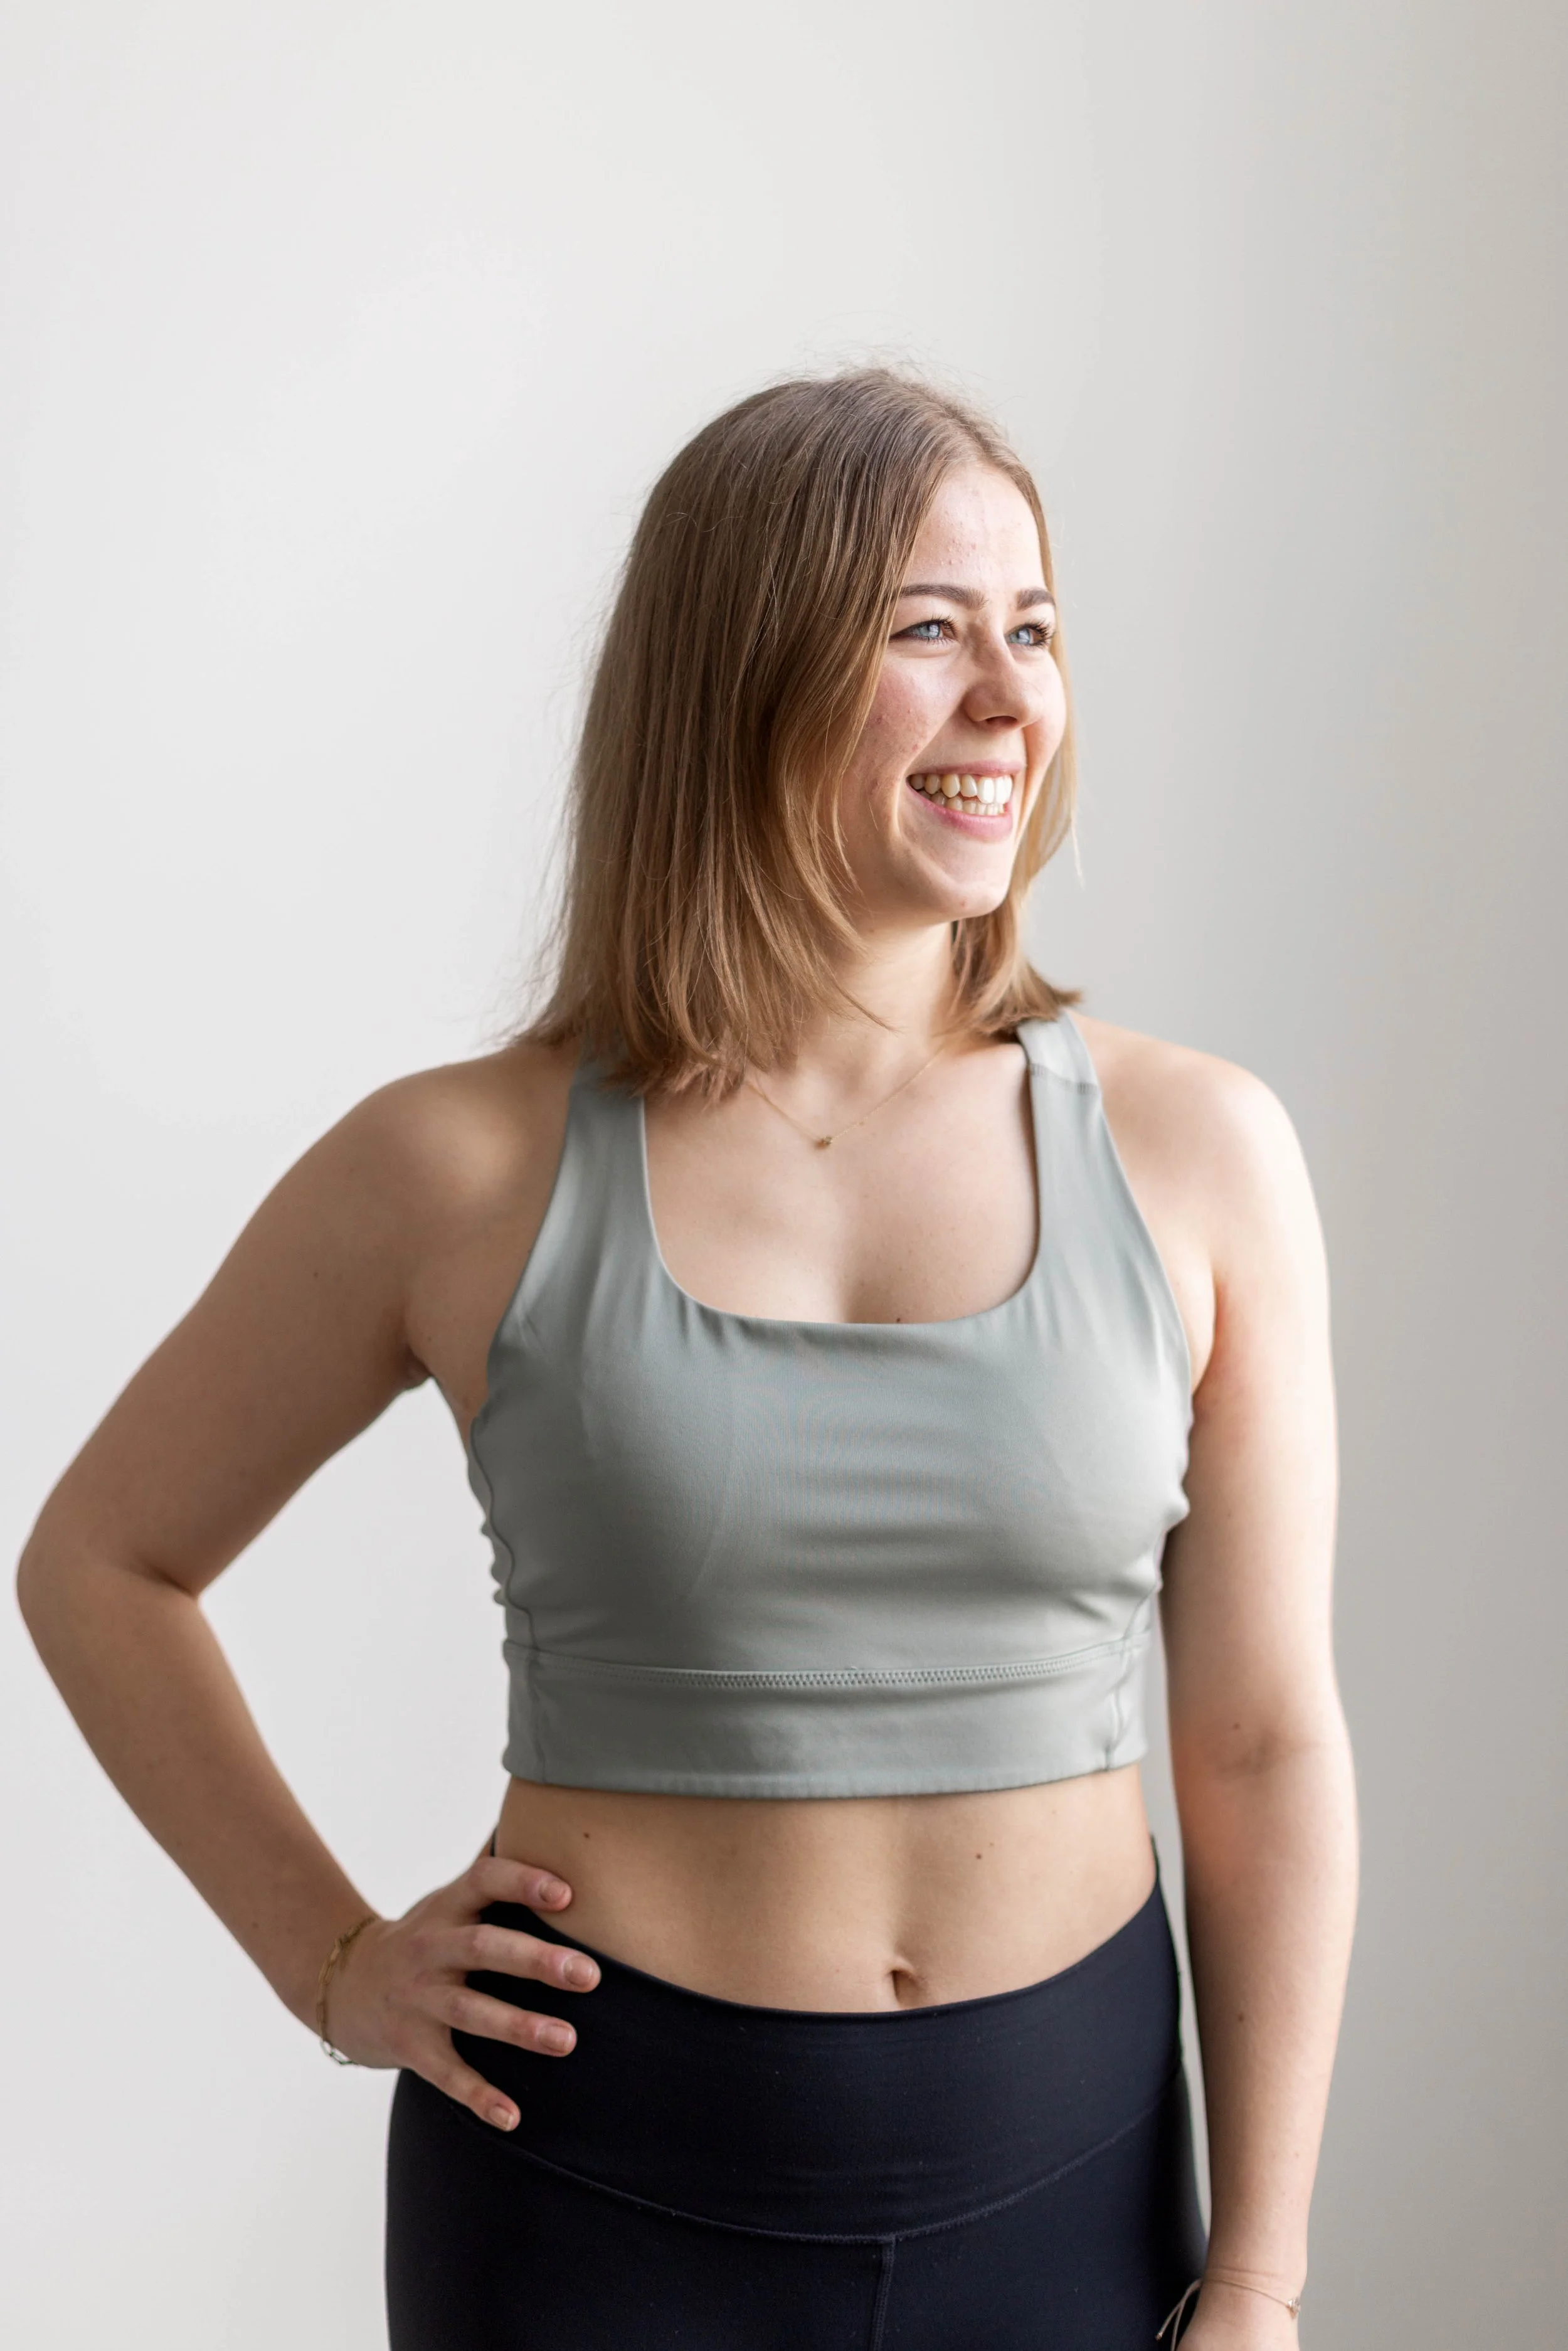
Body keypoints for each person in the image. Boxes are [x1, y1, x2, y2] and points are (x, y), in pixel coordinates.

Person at [18, 369, 1357, 2348]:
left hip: (1071, 2188)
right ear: (743, 664)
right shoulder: (452, 1164)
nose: (1009, 698)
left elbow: (1255, 1738)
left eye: (1036, 628)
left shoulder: (1195, 1152)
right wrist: (332, 1959)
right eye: (928, 628)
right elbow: (102, 1559)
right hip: (590, 2192)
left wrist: (1255, 2270)